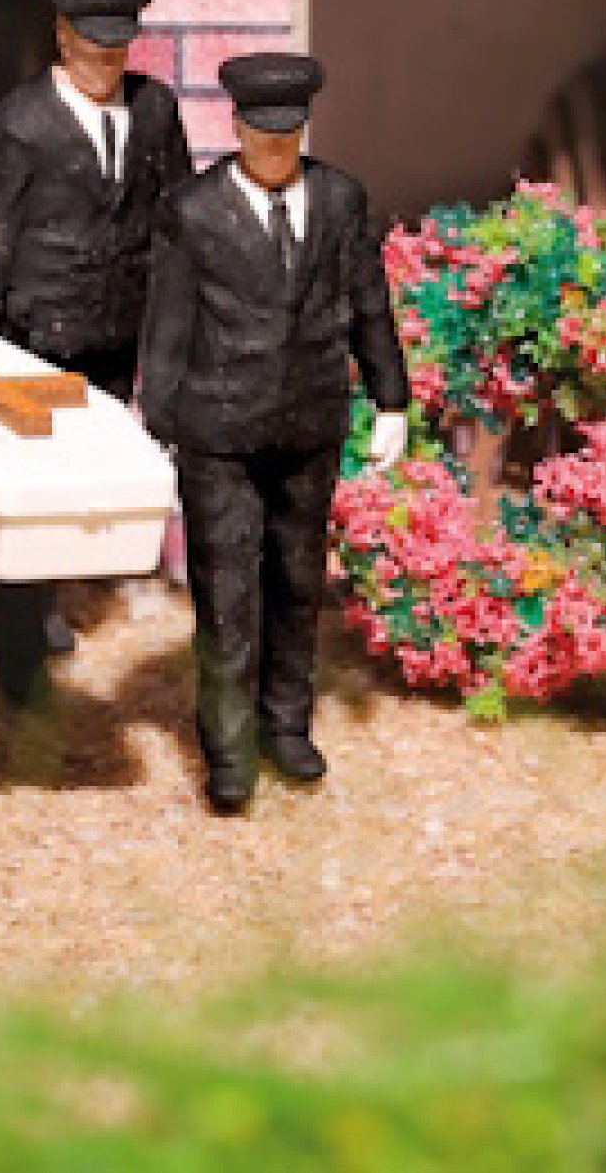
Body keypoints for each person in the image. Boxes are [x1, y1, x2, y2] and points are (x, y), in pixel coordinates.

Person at [138, 54, 410, 814]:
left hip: (309, 421)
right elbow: (168, 324)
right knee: (226, 590)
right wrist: (158, 423)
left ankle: (286, 724)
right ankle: (229, 749)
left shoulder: (339, 199)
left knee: (297, 580)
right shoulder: (194, 211)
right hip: (218, 430)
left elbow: (369, 302)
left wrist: (390, 399)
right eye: (262, 136)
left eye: (288, 136)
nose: (275, 150)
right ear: (237, 127)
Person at [0, 0, 191, 702]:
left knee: (87, 475)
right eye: (94, 50)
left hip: (118, 328)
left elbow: (176, 217)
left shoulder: (154, 110)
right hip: (38, 335)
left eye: (118, 50)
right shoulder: (21, 122)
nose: (107, 64)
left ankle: (52, 601)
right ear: (63, 38)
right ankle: (19, 645)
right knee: (31, 488)